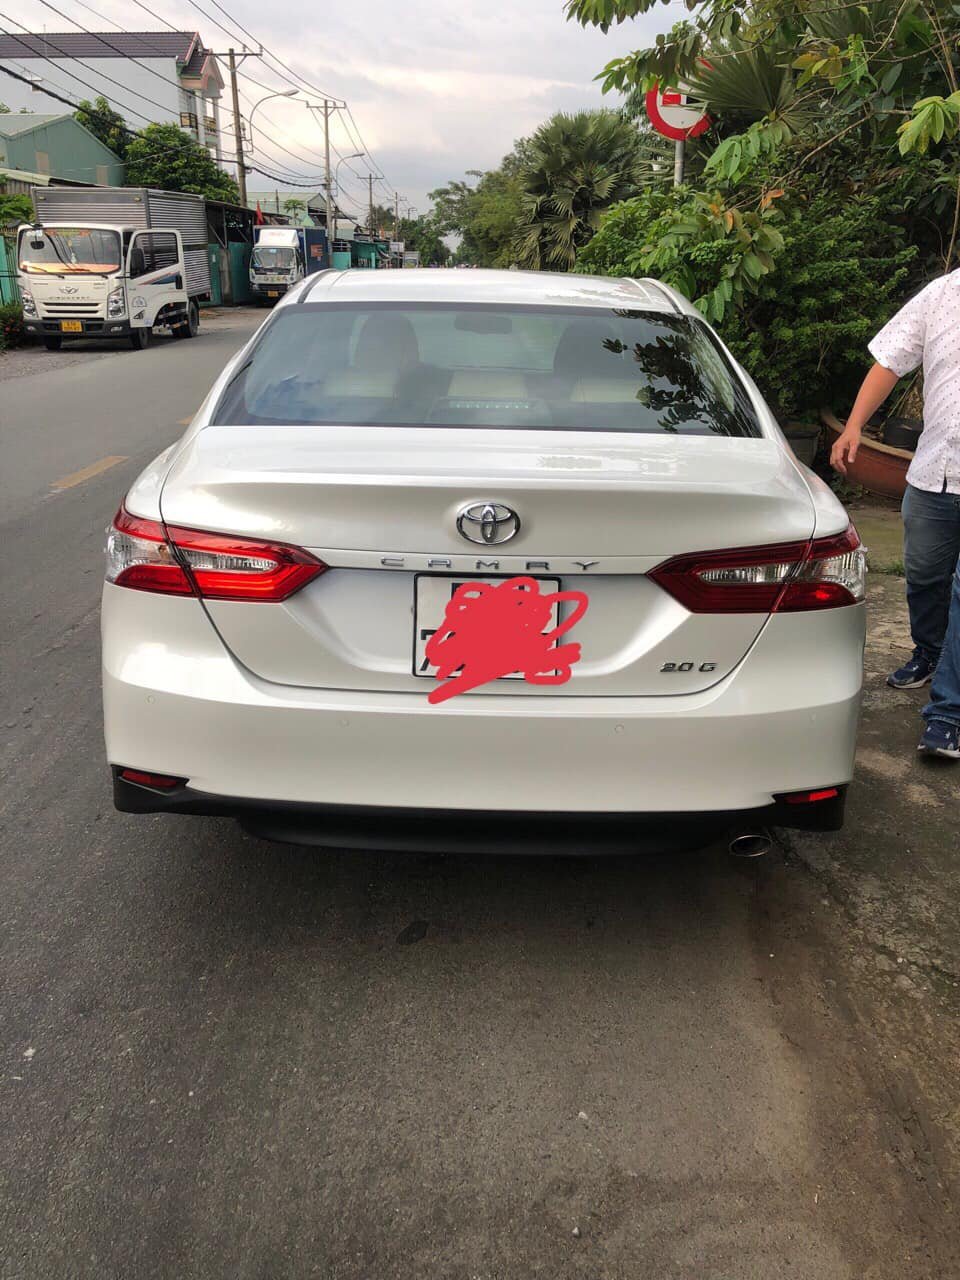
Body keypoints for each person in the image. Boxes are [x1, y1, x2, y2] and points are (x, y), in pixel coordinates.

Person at [831, 270, 960, 759]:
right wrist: (855, 427)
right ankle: (929, 652)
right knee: (925, 577)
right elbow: (890, 361)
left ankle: (947, 714)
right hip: (934, 474)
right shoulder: (943, 294)